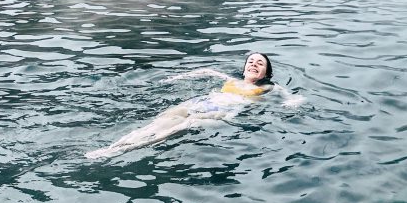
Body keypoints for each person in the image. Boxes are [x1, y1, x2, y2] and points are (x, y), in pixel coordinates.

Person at [85, 53, 299, 159]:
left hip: (222, 111)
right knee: (158, 122)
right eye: (251, 62)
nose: (254, 64)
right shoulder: (231, 80)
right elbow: (206, 71)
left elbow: (290, 97)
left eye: (260, 63)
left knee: (180, 126)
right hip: (201, 101)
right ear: (244, 69)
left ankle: (124, 151)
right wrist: (177, 77)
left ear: (266, 73)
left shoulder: (271, 87)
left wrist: (292, 103)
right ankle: (113, 146)